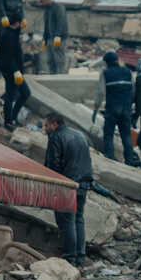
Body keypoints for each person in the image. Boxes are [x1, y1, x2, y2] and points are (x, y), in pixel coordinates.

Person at [44, 112, 93, 265]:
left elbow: (53, 165)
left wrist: (50, 185)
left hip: (67, 184)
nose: (45, 129)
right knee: (78, 218)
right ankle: (80, 257)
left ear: (54, 124)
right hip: (83, 183)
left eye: (46, 125)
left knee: (67, 221)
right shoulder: (79, 135)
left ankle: (69, 258)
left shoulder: (56, 137)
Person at [92, 51, 137, 165]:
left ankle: (110, 159)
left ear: (106, 63)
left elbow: (100, 92)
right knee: (126, 135)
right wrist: (129, 104)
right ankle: (129, 160)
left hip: (112, 108)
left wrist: (96, 109)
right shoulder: (127, 71)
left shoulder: (105, 73)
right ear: (117, 60)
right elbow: (133, 91)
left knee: (108, 134)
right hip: (126, 109)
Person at [0, 11, 30, 131]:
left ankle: (12, 119)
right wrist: (15, 71)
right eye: (21, 23)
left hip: (14, 70)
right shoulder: (8, 35)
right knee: (12, 95)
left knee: (24, 93)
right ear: (16, 23)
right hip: (11, 70)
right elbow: (9, 56)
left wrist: (20, 23)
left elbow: (17, 30)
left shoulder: (12, 31)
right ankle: (9, 122)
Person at [37, 0, 69, 74]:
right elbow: (46, 25)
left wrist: (58, 35)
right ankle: (52, 76)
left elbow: (61, 21)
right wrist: (45, 39)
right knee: (50, 60)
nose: (41, 4)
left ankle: (60, 76)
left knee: (59, 59)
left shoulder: (58, 7)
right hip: (49, 38)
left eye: (42, 1)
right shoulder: (47, 10)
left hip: (59, 38)